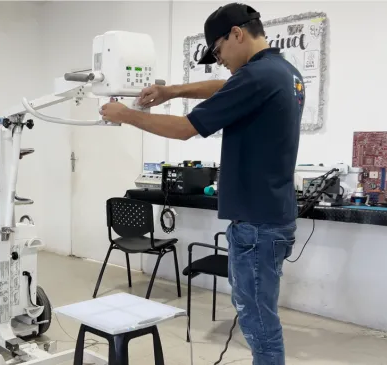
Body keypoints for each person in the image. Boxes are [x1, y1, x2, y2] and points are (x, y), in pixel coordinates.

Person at [100, 3, 304, 364]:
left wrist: (126, 115)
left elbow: (184, 130)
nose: (220, 58)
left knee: (259, 325)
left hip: (256, 224)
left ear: (236, 34)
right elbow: (223, 87)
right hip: (274, 216)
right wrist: (172, 92)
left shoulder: (256, 77)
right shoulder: (283, 72)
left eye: (219, 50)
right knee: (261, 315)